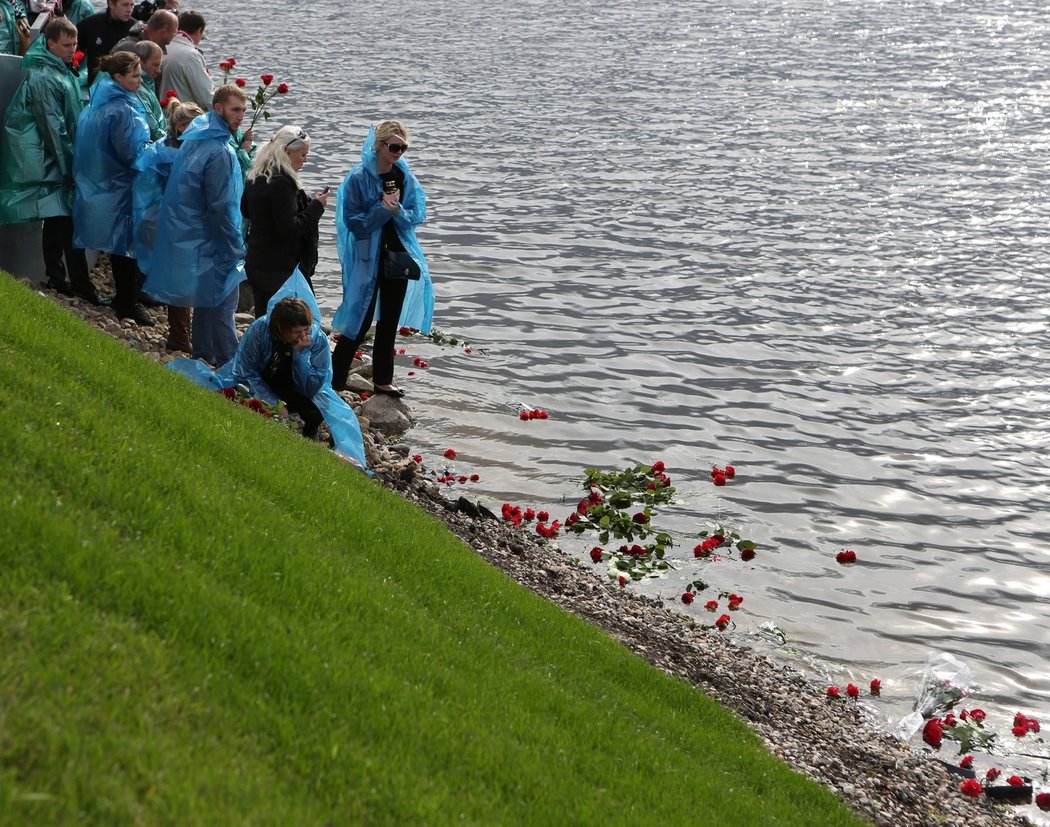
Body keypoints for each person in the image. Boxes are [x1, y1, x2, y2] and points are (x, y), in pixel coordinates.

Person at [168, 274, 368, 469]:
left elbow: (315, 385)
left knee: (318, 408)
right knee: (239, 393)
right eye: (297, 332)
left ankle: (310, 429)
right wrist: (273, 403)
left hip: (296, 384)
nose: (303, 335)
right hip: (263, 379)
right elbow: (245, 372)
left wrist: (301, 356)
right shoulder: (260, 329)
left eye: (305, 330)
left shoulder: (316, 340)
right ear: (281, 328)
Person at [0, 17, 105, 303]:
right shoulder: (45, 76)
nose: (73, 50)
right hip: (51, 160)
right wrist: (69, 164)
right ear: (50, 44)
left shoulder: (58, 70)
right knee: (62, 218)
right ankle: (71, 281)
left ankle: (63, 278)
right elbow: (53, 126)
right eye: (67, 45)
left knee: (60, 220)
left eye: (75, 44)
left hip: (54, 158)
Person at [144, 84, 247, 365]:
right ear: (218, 108)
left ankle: (203, 355)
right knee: (224, 303)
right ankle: (229, 364)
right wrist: (235, 245)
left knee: (205, 299)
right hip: (213, 238)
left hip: (193, 235)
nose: (241, 116)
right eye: (235, 109)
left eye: (244, 111)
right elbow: (221, 206)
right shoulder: (221, 152)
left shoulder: (195, 140)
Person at [331, 120, 434, 396]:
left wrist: (398, 210)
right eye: (394, 147)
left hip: (397, 255)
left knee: (390, 319)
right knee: (359, 318)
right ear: (379, 145)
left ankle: (382, 379)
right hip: (367, 257)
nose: (399, 152)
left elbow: (417, 214)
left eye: (404, 147)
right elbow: (353, 223)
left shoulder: (404, 177)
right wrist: (380, 210)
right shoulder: (358, 178)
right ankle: (335, 379)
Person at [72, 49, 152, 324]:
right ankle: (127, 302)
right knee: (126, 246)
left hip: (102, 184)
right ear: (118, 77)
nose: (140, 80)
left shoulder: (97, 102)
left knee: (119, 245)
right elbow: (133, 154)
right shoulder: (122, 109)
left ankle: (124, 298)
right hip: (121, 186)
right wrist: (160, 153)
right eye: (135, 76)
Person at [132, 96, 201, 350]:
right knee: (181, 280)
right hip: (172, 222)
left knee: (179, 278)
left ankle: (182, 333)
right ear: (182, 126)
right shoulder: (174, 154)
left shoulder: (165, 147)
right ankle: (180, 336)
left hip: (163, 220)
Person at [240, 125, 327, 318]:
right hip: (279, 268)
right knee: (292, 323)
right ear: (288, 152)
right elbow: (291, 230)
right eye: (303, 155)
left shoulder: (256, 175)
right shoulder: (283, 182)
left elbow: (245, 210)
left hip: (256, 261)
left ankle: (263, 348)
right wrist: (316, 208)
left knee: (265, 318)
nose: (305, 160)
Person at [158, 9, 208, 110]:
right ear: (199, 31)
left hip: (162, 115)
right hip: (185, 117)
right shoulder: (191, 55)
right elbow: (206, 99)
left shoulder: (161, 48)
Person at [77, 0, 136, 83]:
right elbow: (74, 50)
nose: (130, 9)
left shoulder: (135, 29)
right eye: (125, 5)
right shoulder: (90, 24)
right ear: (111, 4)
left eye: (132, 5)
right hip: (97, 85)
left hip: (125, 87)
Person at [126, 39, 164, 139]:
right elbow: (152, 128)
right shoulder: (138, 88)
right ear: (140, 62)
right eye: (155, 65)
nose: (159, 71)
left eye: (160, 65)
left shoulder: (148, 82)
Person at [111, 7, 176, 54]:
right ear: (164, 32)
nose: (176, 34)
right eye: (174, 31)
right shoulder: (128, 49)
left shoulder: (157, 46)